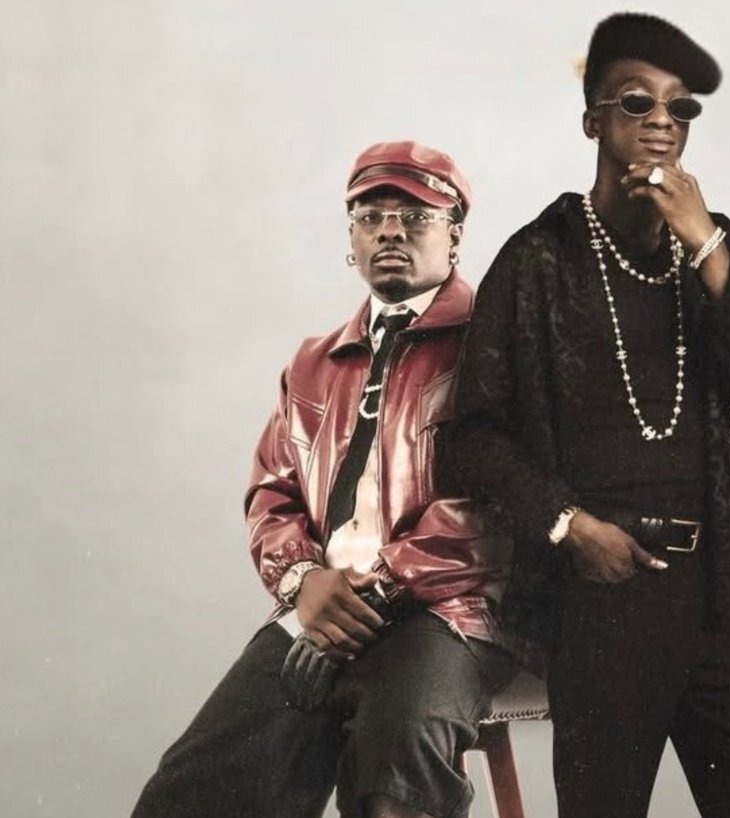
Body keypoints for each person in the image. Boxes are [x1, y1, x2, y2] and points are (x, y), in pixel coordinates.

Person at [450, 13, 730, 818]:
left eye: (679, 107)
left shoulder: (713, 247)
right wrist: (568, 525)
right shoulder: (538, 258)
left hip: (710, 589)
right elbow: (471, 439)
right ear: (593, 121)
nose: (661, 121)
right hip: (600, 598)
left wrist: (706, 244)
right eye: (636, 101)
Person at [132, 141, 514, 818]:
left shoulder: (497, 341)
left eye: (414, 216)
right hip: (320, 605)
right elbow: (271, 493)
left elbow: (491, 503)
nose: (390, 231)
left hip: (451, 609)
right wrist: (304, 583)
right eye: (371, 217)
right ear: (351, 237)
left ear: (454, 234)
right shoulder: (314, 362)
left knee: (394, 771)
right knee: (194, 785)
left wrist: (372, 593)